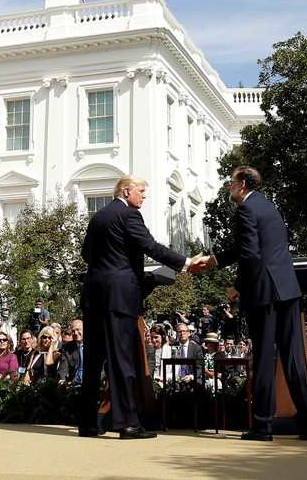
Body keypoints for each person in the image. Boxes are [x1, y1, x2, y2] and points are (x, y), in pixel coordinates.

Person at [192, 165, 307, 441]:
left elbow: (249, 254)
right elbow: (250, 248)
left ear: (243, 185)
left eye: (231, 182)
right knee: (293, 358)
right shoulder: (270, 207)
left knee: (262, 359)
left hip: (264, 293)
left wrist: (237, 287)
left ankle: (262, 425)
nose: (229, 187)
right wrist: (213, 260)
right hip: (287, 289)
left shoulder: (245, 210)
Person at [79, 174, 202, 439]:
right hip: (120, 297)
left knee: (92, 361)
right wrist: (186, 262)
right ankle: (127, 424)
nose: (144, 197)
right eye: (142, 192)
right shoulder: (129, 216)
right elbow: (149, 246)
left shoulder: (98, 217)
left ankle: (87, 424)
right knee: (122, 360)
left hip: (94, 295)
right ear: (126, 192)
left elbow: (85, 254)